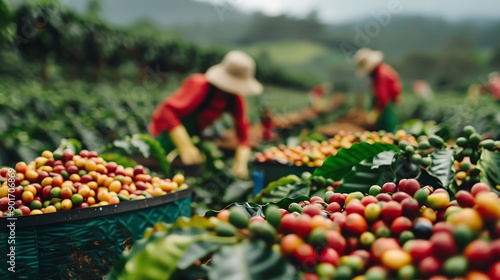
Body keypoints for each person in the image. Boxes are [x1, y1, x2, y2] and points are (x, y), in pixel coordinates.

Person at [148, 51, 263, 179]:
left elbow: (243, 132)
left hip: (192, 135)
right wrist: (185, 146)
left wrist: (241, 163)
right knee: (157, 169)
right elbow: (167, 111)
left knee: (180, 175)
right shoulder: (200, 85)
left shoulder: (234, 99)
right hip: (168, 134)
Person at [353, 48, 402, 133]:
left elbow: (383, 98)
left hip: (386, 109)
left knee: (387, 133)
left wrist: (375, 113)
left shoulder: (381, 75)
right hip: (385, 107)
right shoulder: (382, 70)